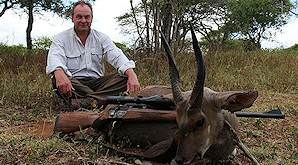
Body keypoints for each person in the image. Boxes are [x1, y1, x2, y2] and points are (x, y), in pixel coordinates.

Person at [46, 0, 140, 110]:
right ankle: (102, 100)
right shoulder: (61, 38)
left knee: (125, 77)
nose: (83, 20)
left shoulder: (101, 38)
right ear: (72, 18)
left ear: (91, 18)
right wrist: (59, 72)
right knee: (56, 77)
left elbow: (117, 56)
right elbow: (55, 58)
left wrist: (132, 74)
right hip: (74, 83)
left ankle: (88, 102)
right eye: (79, 17)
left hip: (97, 83)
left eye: (87, 17)